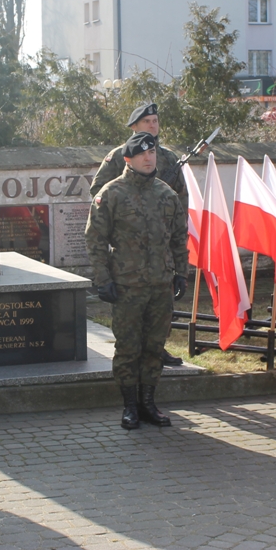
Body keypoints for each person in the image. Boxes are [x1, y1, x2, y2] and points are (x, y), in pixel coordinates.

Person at [85, 132, 189, 430]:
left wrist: (181, 273)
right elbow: (95, 239)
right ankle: (130, 406)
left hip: (160, 285)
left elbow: (179, 237)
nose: (148, 158)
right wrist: (102, 279)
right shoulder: (111, 193)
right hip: (127, 285)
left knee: (154, 347)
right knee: (128, 348)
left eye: (152, 153)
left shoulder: (167, 194)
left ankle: (148, 403)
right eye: (142, 154)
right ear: (128, 159)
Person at [90, 102, 188, 366]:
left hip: (160, 245)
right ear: (134, 126)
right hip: (129, 248)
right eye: (147, 121)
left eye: (155, 121)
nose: (152, 125)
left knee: (160, 309)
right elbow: (98, 191)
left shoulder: (167, 157)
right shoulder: (119, 155)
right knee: (129, 331)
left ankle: (158, 348)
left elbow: (181, 197)